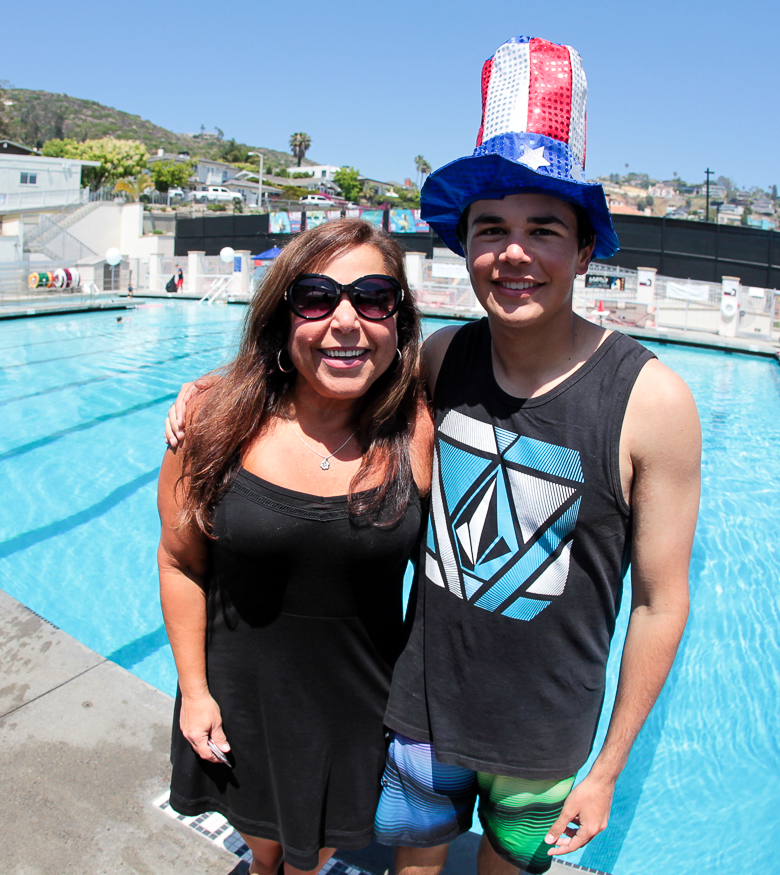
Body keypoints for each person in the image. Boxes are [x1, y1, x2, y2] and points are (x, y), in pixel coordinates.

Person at [166, 36, 697, 875]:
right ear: (466, 244)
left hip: (542, 737)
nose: (513, 253)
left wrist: (608, 767)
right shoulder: (443, 362)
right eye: (492, 229)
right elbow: (329, 368)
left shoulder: (651, 401)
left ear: (585, 247)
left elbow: (662, 603)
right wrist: (222, 384)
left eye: (543, 229)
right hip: (420, 713)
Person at [157, 218, 432, 875]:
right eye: (316, 298)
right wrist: (195, 691)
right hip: (239, 700)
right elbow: (179, 562)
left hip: (356, 711)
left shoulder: (419, 429)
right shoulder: (214, 421)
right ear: (283, 315)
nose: (346, 321)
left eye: (373, 298)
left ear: (398, 319)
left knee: (311, 861)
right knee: (265, 853)